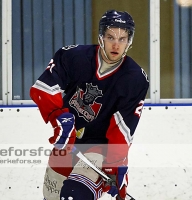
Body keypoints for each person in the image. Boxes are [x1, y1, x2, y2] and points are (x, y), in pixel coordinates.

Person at [30, 9, 149, 200]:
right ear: (101, 37)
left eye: (122, 38)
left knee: (73, 196)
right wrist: (58, 117)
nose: (116, 44)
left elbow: (122, 128)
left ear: (129, 41)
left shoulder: (135, 79)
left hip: (99, 150)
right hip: (66, 145)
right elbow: (44, 88)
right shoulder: (73, 57)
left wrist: (115, 164)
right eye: (111, 37)